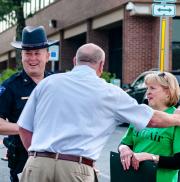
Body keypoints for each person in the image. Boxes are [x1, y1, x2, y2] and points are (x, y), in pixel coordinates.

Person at [18, 43, 180, 182]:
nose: (148, 92)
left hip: (36, 165)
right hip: (75, 168)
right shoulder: (109, 92)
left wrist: (38, 157)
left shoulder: (47, 83)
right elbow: (152, 120)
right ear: (101, 65)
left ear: (75, 61)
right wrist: (176, 119)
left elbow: (24, 128)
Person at [0, 25, 58, 182]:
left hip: (57, 163)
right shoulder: (10, 87)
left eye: (37, 53)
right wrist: (25, 129)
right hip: (23, 164)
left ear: (47, 55)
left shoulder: (58, 83)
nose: (32, 58)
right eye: (28, 53)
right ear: (21, 56)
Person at [119, 72, 180, 182]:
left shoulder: (176, 119)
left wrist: (151, 157)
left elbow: (178, 161)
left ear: (168, 92)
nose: (147, 92)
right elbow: (125, 143)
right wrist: (123, 149)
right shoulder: (141, 115)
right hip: (134, 178)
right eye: (147, 88)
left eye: (152, 88)